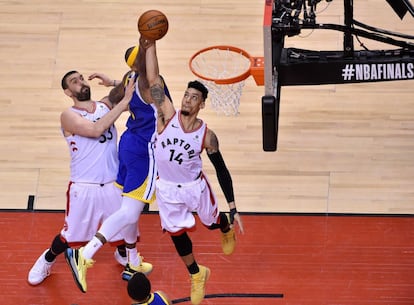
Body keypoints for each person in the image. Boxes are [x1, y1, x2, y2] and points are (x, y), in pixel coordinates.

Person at [64, 38, 173, 293]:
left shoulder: (129, 78)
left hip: (128, 144)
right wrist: (149, 42)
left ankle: (133, 261)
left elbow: (121, 90)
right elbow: (151, 72)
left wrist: (113, 81)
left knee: (127, 205)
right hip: (146, 151)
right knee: (131, 212)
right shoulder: (148, 80)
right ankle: (85, 254)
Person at [145, 42, 245, 305]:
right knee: (176, 233)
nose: (187, 99)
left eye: (193, 97)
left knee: (211, 223)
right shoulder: (167, 116)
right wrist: (150, 44)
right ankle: (197, 274)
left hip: (194, 188)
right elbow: (154, 79)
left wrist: (233, 207)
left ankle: (225, 228)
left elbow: (221, 170)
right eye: (186, 95)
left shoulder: (207, 136)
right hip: (166, 188)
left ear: (201, 104)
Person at [27, 70, 135, 286]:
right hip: (84, 187)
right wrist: (124, 104)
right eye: (74, 82)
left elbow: (131, 79)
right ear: (68, 92)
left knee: (122, 227)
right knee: (69, 236)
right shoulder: (68, 115)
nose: (81, 83)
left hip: (112, 183)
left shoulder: (105, 104)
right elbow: (95, 129)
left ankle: (122, 254)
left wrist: (145, 45)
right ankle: (47, 260)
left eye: (81, 79)